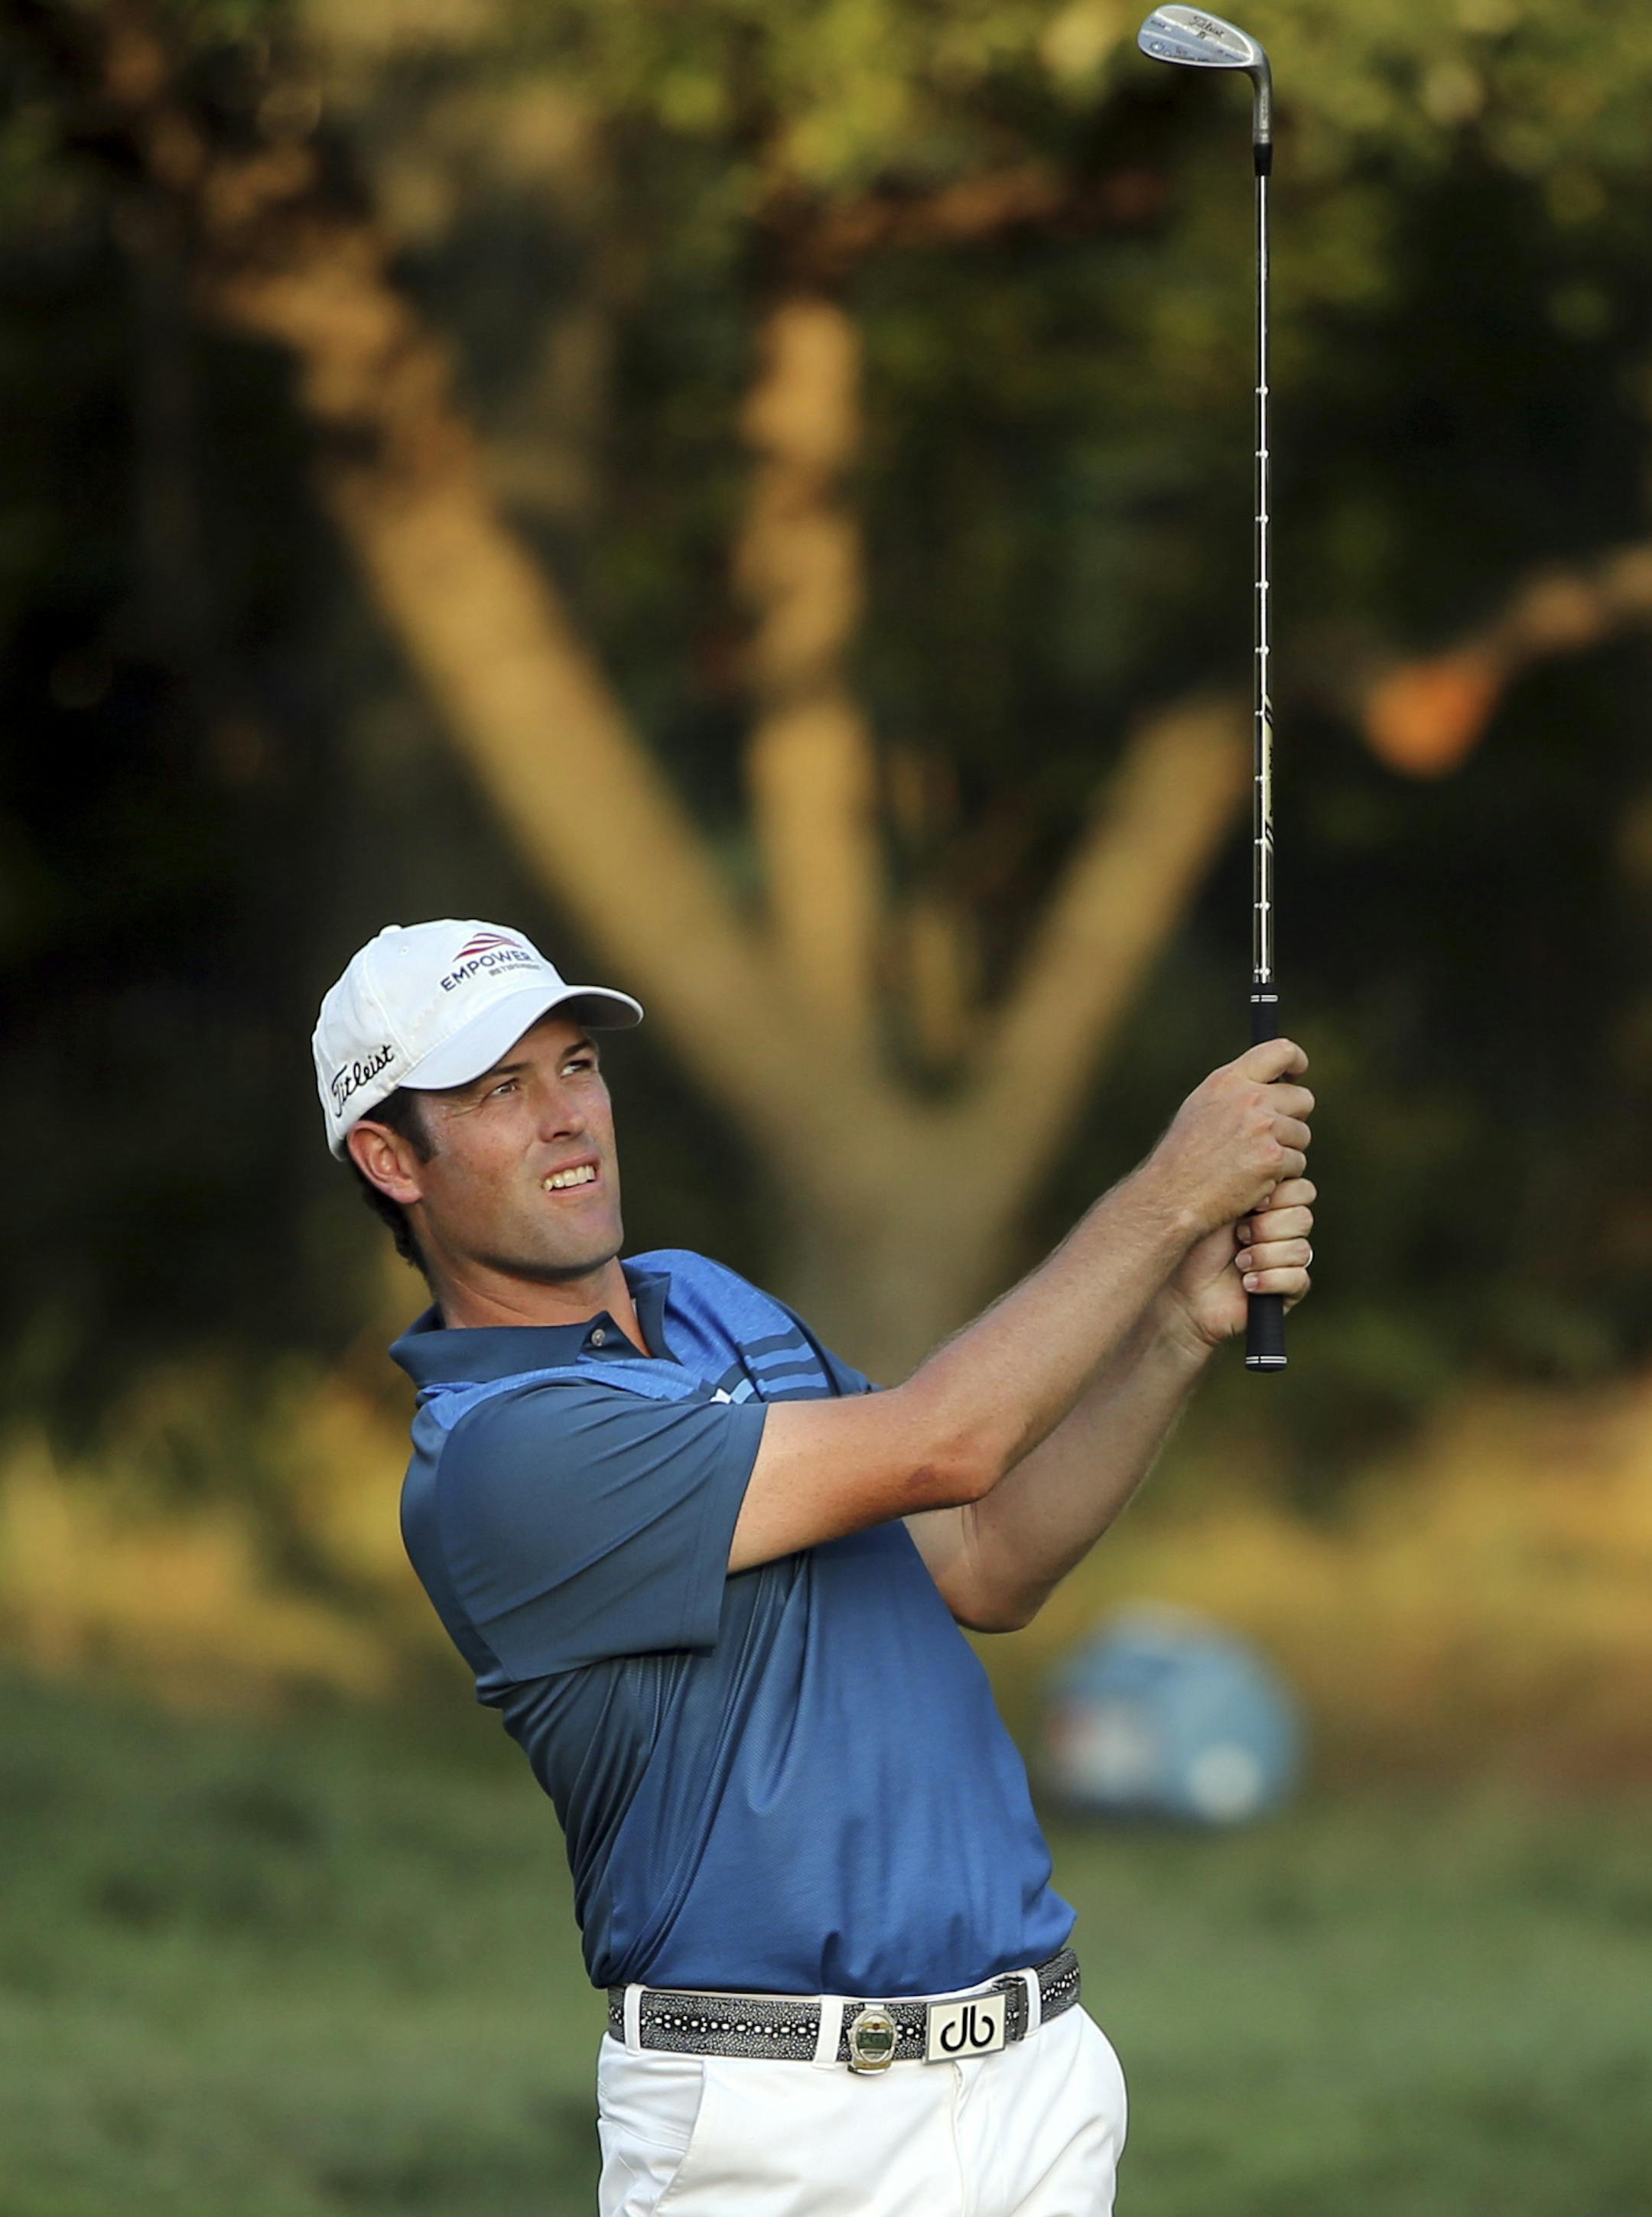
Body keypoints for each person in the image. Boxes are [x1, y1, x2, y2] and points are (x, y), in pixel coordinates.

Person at [313, 915, 1315, 2217]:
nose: (568, 1115)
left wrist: (1178, 1322)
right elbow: (945, 1446)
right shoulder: (503, 1455)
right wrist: (1174, 1190)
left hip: (1033, 2082)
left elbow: (981, 1559)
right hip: (777, 2127)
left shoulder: (703, 1296)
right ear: (393, 1157)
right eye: (501, 1090)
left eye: (575, 1065)